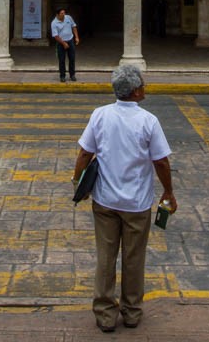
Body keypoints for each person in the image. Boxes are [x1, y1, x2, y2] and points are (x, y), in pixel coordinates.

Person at [73, 64, 175, 332]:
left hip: (105, 200)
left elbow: (84, 154)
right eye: (142, 85)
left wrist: (78, 182)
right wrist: (168, 192)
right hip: (137, 203)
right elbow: (161, 162)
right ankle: (131, 311)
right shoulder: (148, 121)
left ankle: (105, 314)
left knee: (105, 257)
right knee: (134, 258)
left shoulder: (100, 115)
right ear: (136, 92)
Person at [52, 8, 79, 82]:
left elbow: (74, 27)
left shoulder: (68, 18)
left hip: (70, 40)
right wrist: (64, 43)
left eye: (64, 13)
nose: (64, 15)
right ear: (57, 14)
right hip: (61, 43)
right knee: (62, 60)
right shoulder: (54, 23)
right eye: (62, 13)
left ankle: (72, 75)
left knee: (72, 59)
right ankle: (62, 76)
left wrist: (76, 37)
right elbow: (55, 36)